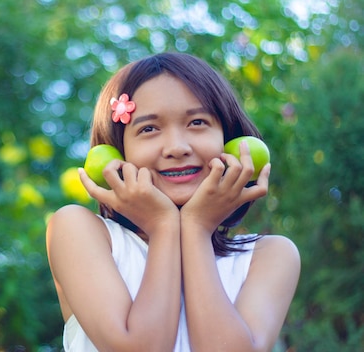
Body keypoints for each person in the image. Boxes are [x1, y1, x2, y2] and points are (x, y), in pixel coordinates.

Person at [45, 52, 300, 351]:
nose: (177, 147)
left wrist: (196, 228)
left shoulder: (269, 256)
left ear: (230, 141)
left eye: (197, 122)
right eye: (149, 129)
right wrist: (163, 225)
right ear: (117, 153)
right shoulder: (79, 231)